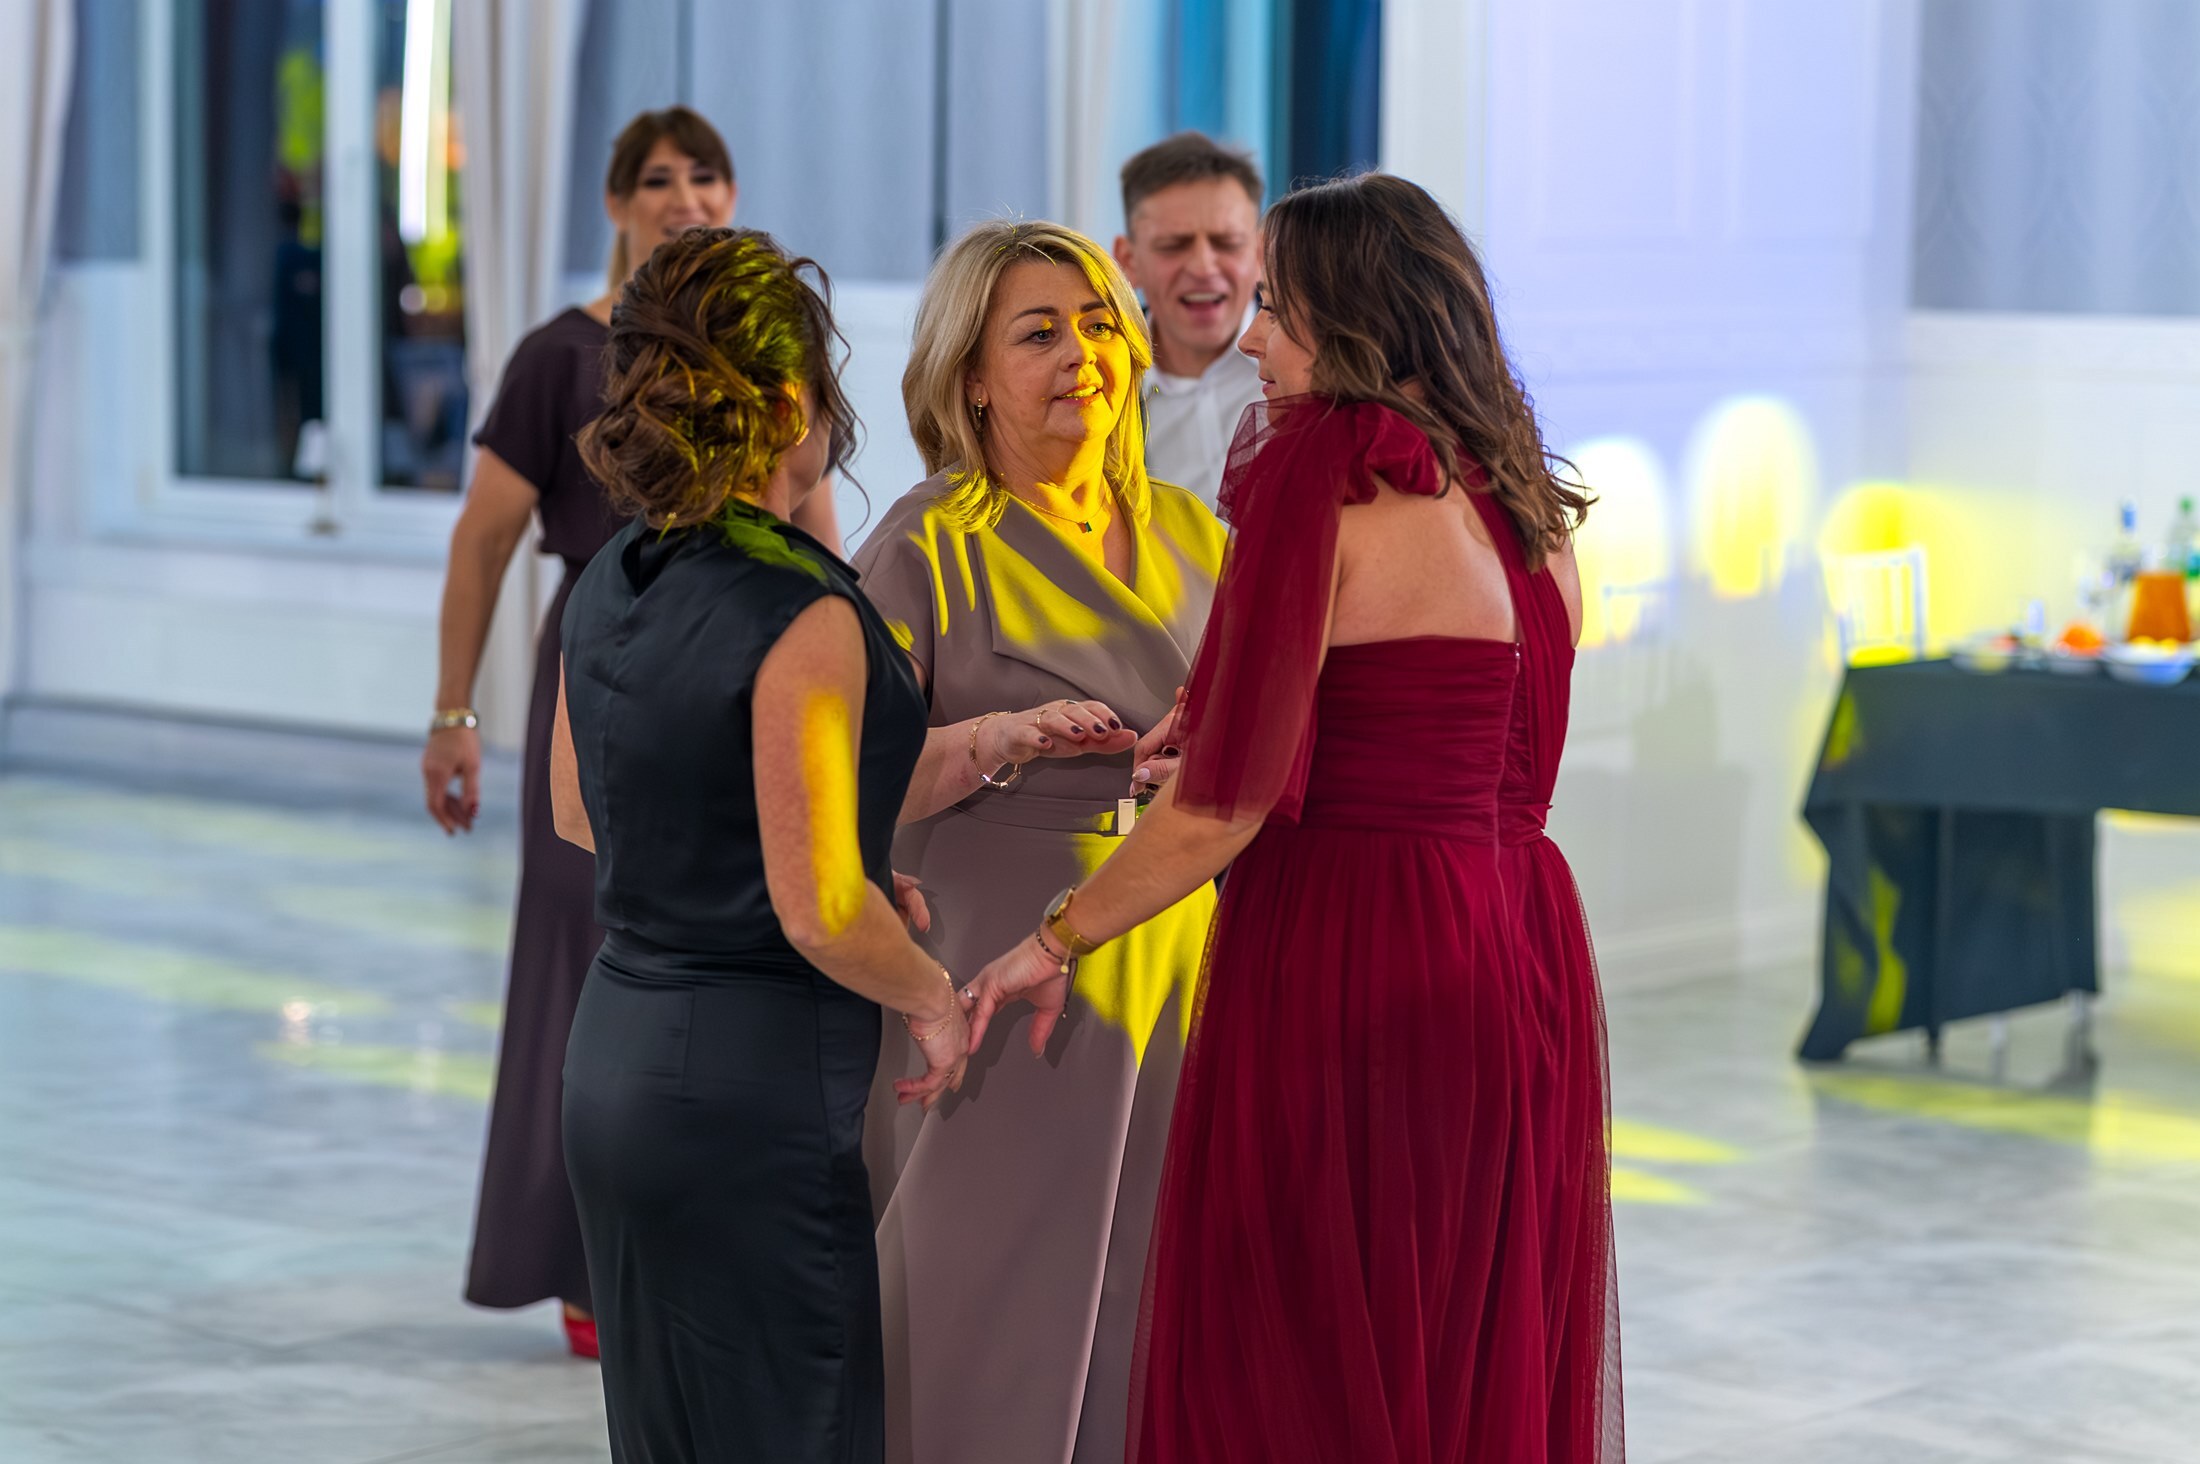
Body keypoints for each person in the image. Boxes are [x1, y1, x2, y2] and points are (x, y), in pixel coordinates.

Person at [967, 173, 1620, 1463]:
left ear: (1352, 319)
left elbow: (1226, 804)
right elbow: (1462, 749)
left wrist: (1052, 938)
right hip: (1516, 947)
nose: (1251, 337)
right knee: (1454, 1326)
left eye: (1277, 306)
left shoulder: (1322, 469)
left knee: (1301, 1343)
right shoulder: (1526, 507)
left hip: (1353, 945)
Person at [421, 107, 845, 1357]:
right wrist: (453, 712)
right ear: (615, 203)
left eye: (705, 174)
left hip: (748, 658)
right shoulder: (558, 357)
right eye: (655, 178)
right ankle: (584, 1262)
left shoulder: (766, 349)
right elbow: (482, 542)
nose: (683, 196)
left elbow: (816, 527)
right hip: (601, 663)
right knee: (584, 952)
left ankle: (716, 1241)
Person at [552, 226, 968, 1463]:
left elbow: (584, 810)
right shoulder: (799, 606)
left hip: (613, 1062)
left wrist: (812, 860)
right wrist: (933, 995)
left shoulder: (612, 572)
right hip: (747, 1095)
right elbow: (821, 911)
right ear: (792, 404)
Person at [853, 219, 1226, 1464]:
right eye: (1038, 333)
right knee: (986, 1293)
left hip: (1177, 955)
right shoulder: (921, 547)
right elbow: (840, 784)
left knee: (1152, 1284)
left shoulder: (1198, 533)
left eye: (1099, 324)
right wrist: (993, 740)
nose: (1082, 354)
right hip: (997, 972)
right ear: (969, 375)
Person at [1112, 132, 1267, 506]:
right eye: (1173, 246)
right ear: (1128, 261)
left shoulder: (1318, 369)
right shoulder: (1098, 383)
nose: (1203, 267)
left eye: (1227, 243)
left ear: (1260, 253)